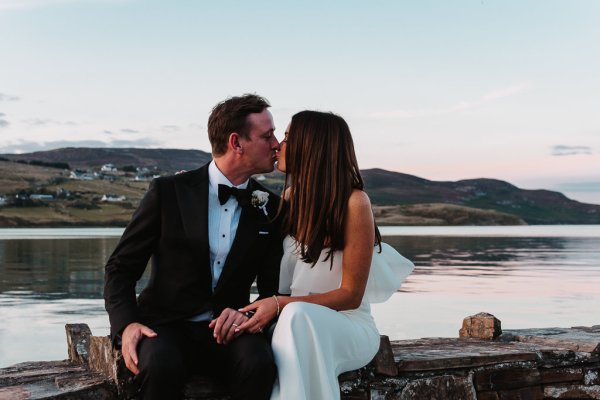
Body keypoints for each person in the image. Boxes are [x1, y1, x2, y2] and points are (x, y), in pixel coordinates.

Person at [103, 94, 283, 400]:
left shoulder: (271, 207)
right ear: (236, 143)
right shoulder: (168, 192)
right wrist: (127, 324)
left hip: (231, 330)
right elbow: (120, 268)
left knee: (261, 363)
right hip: (164, 327)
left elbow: (271, 289)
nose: (276, 144)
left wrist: (247, 317)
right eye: (267, 136)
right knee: (160, 366)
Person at [237, 110, 414, 400]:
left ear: (311, 145)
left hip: (347, 325)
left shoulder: (355, 203)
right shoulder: (291, 200)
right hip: (295, 323)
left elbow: (351, 296)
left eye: (288, 137)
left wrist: (280, 305)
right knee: (292, 323)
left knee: (295, 316)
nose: (279, 145)